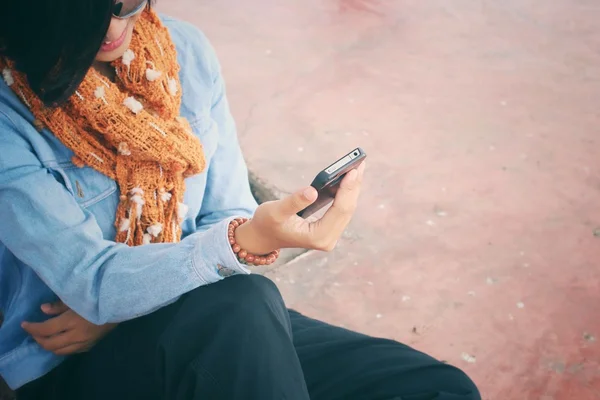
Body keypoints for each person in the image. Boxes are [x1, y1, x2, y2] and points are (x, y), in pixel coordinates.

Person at [0, 0, 481, 399]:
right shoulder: (9, 112)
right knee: (241, 304)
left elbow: (226, 210)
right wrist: (239, 243)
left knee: (437, 388)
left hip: (205, 314)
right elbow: (95, 283)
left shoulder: (184, 51)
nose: (111, 25)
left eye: (124, 2)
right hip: (72, 361)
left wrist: (237, 239)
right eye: (86, 10)